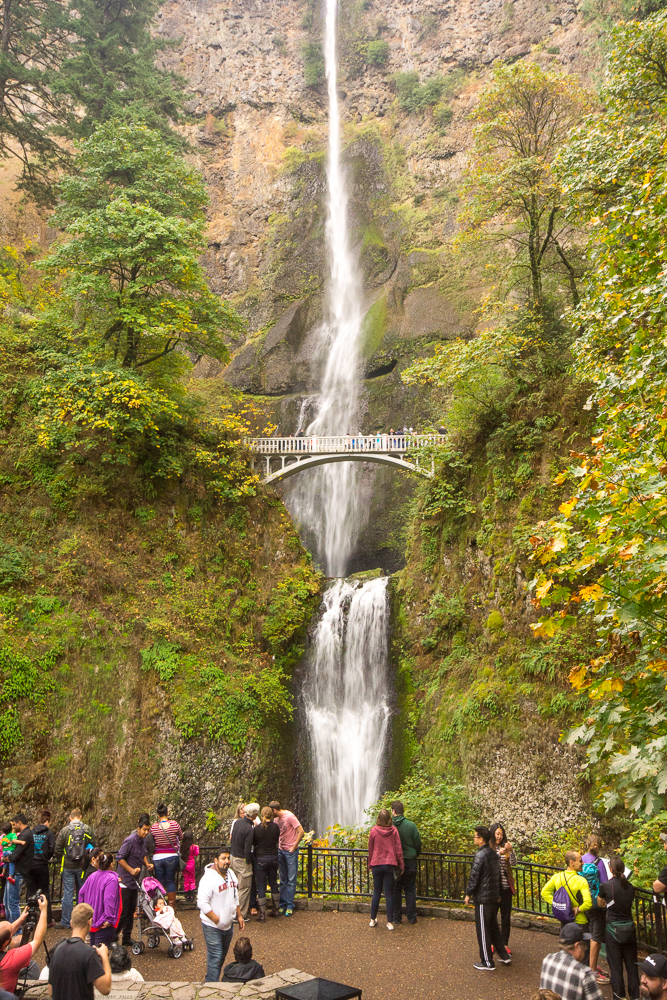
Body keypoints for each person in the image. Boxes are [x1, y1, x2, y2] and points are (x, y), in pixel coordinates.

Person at [464, 825, 511, 971]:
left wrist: (468, 893)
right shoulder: (492, 853)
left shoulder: (480, 855)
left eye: (475, 836)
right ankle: (504, 954)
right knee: (493, 927)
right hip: (493, 895)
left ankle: (487, 961)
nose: (474, 839)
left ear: (481, 839)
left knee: (483, 929)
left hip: (483, 898)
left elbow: (474, 876)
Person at [197, 845, 245, 983]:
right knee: (216, 957)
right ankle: (211, 989)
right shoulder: (208, 879)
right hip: (212, 926)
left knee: (221, 957)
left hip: (228, 925)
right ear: (215, 860)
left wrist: (239, 915)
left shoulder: (231, 874)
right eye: (223, 858)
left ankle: (210, 983)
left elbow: (235, 896)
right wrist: (217, 920)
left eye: (228, 858)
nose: (226, 861)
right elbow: (202, 903)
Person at [597, 854, 639, 1000]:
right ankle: (635, 997)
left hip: (612, 931)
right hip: (629, 930)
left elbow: (600, 902)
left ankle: (618, 997)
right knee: (632, 968)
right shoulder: (630, 887)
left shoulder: (606, 886)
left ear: (610, 869)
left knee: (616, 969)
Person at [49, 902, 111, 999]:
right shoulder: (88, 953)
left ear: (71, 922)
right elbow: (105, 989)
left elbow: (51, 990)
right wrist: (104, 956)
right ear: (89, 922)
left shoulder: (57, 950)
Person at [115, 814, 152, 947]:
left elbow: (143, 854)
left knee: (131, 910)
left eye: (148, 830)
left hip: (135, 881)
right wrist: (130, 870)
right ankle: (114, 938)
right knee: (124, 910)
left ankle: (126, 937)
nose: (146, 832)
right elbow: (120, 858)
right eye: (144, 830)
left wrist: (146, 864)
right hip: (125, 880)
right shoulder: (130, 840)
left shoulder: (144, 841)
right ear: (138, 828)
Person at [540, 922, 604, 1000]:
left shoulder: (547, 959)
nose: (585, 949)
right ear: (577, 946)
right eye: (584, 945)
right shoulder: (583, 973)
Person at [54, 809, 95, 929]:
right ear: (81, 816)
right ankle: (81, 921)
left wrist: (61, 857)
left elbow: (58, 849)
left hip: (67, 866)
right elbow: (93, 846)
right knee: (81, 893)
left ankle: (66, 921)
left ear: (70, 818)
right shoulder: (87, 829)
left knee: (68, 893)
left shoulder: (65, 830)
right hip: (82, 867)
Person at [0, 893, 48, 995]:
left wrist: (21, 919)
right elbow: (37, 940)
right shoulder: (10, 960)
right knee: (32, 965)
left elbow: (4, 934)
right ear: (6, 943)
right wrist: (43, 911)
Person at [368, 808, 403, 931]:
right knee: (389, 894)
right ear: (389, 819)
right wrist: (401, 865)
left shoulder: (373, 831)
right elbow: (398, 850)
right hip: (389, 864)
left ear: (378, 819)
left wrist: (369, 864)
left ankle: (372, 920)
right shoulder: (394, 831)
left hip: (376, 864)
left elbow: (370, 850)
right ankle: (389, 922)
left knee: (376, 892)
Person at [582, 833, 610, 985]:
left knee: (589, 933)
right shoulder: (599, 863)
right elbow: (604, 884)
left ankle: (589, 965)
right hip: (597, 905)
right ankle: (592, 971)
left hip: (585, 903)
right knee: (596, 938)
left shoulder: (582, 859)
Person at [79, 850, 121, 947]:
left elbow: (81, 893)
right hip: (103, 923)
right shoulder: (111, 878)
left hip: (92, 920)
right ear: (111, 864)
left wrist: (84, 913)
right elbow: (108, 899)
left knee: (92, 952)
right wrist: (109, 918)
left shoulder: (92, 876)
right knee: (101, 953)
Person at [541, 850, 593, 929]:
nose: (583, 863)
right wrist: (578, 909)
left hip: (565, 920)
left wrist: (559, 904)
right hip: (580, 922)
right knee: (581, 941)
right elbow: (588, 903)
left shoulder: (557, 877)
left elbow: (544, 893)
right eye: (580, 861)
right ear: (572, 863)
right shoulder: (581, 881)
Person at [270, 800, 304, 917]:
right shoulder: (275, 819)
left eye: (271, 812)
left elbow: (301, 831)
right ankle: (282, 905)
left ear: (275, 810)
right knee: (283, 879)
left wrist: (294, 846)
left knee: (291, 879)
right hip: (281, 850)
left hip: (290, 851)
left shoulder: (290, 817)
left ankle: (289, 906)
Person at [390, 800, 420, 926]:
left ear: (393, 811)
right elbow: (418, 844)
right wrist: (414, 854)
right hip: (410, 861)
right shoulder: (411, 826)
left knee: (396, 890)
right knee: (410, 889)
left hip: (395, 863)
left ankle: (397, 917)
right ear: (403, 811)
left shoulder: (389, 827)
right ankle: (412, 917)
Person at [149, 804, 183, 909]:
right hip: (172, 856)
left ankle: (160, 905)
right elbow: (181, 836)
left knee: (160, 882)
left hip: (158, 857)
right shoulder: (174, 824)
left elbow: (151, 841)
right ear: (167, 813)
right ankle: (171, 905)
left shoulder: (154, 827)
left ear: (158, 815)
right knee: (170, 880)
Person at [489, 822, 516, 952]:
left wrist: (510, 851)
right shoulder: (489, 848)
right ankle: (493, 942)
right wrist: (498, 853)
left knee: (505, 917)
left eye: (501, 834)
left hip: (505, 888)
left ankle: (505, 944)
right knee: (492, 917)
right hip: (493, 888)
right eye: (497, 834)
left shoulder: (506, 847)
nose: (499, 837)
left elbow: (514, 863)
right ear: (493, 834)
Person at [26, 810, 55, 927]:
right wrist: (45, 857)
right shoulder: (49, 833)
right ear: (47, 821)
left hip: (30, 864)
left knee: (31, 892)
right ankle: (47, 920)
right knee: (44, 892)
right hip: (42, 865)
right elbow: (52, 849)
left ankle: (29, 918)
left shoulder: (31, 832)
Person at [253, 806, 280, 921]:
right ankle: (276, 909)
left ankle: (262, 914)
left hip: (261, 858)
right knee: (273, 883)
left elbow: (254, 843)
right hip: (274, 857)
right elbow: (276, 840)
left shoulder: (257, 829)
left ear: (262, 815)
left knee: (261, 885)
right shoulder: (276, 827)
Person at [5, 815, 33, 925]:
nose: (13, 827)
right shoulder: (25, 834)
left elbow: (16, 854)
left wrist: (6, 859)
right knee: (7, 902)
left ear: (19, 823)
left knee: (12, 903)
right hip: (17, 871)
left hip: (19, 872)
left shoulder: (25, 835)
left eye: (14, 824)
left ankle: (16, 930)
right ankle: (8, 928)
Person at [230, 802, 256, 920]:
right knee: (244, 887)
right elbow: (247, 848)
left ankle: (232, 912)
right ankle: (239, 915)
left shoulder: (237, 822)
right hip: (242, 859)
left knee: (236, 887)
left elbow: (233, 839)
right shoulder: (249, 828)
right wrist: (249, 861)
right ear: (255, 815)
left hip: (233, 856)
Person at [180, 828, 199, 903]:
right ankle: (192, 895)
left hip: (184, 865)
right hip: (191, 865)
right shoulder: (193, 846)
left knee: (186, 880)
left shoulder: (182, 847)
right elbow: (196, 854)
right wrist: (197, 847)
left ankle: (187, 895)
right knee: (192, 879)